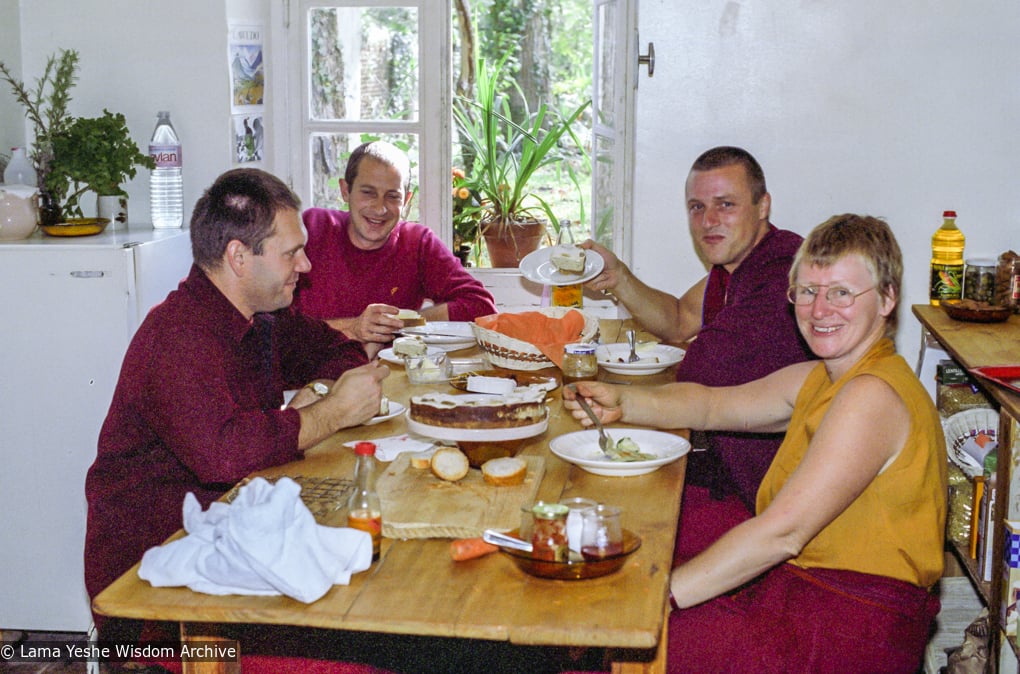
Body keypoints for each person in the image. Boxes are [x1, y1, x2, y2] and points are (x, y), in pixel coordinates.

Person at [565, 214, 946, 672]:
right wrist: (620, 403)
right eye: (806, 291)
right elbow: (709, 406)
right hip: (804, 589)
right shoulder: (822, 377)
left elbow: (781, 533)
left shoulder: (871, 396)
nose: (820, 310)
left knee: (632, 647)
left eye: (841, 293)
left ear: (887, 299)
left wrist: (658, 598)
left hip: (851, 627)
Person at [84, 168, 389, 644]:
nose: (305, 265)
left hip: (235, 545)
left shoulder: (263, 319)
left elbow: (336, 348)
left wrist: (327, 392)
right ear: (238, 257)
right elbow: (221, 455)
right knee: (384, 628)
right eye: (292, 253)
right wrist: (328, 414)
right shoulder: (176, 337)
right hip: (158, 588)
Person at [582, 146, 814, 556]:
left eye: (726, 205)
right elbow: (677, 317)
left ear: (763, 206)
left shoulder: (780, 273)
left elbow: (697, 373)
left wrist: (682, 352)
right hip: (727, 467)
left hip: (762, 498)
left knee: (608, 526)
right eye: (696, 207)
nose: (708, 221)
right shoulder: (735, 267)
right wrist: (618, 277)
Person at [294, 141, 497, 352]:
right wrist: (353, 327)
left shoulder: (417, 243)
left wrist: (401, 322)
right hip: (305, 379)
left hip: (386, 378)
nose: (380, 208)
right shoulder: (311, 228)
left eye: (392, 196)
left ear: (407, 200)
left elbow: (481, 307)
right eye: (368, 192)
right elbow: (271, 328)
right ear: (345, 190)